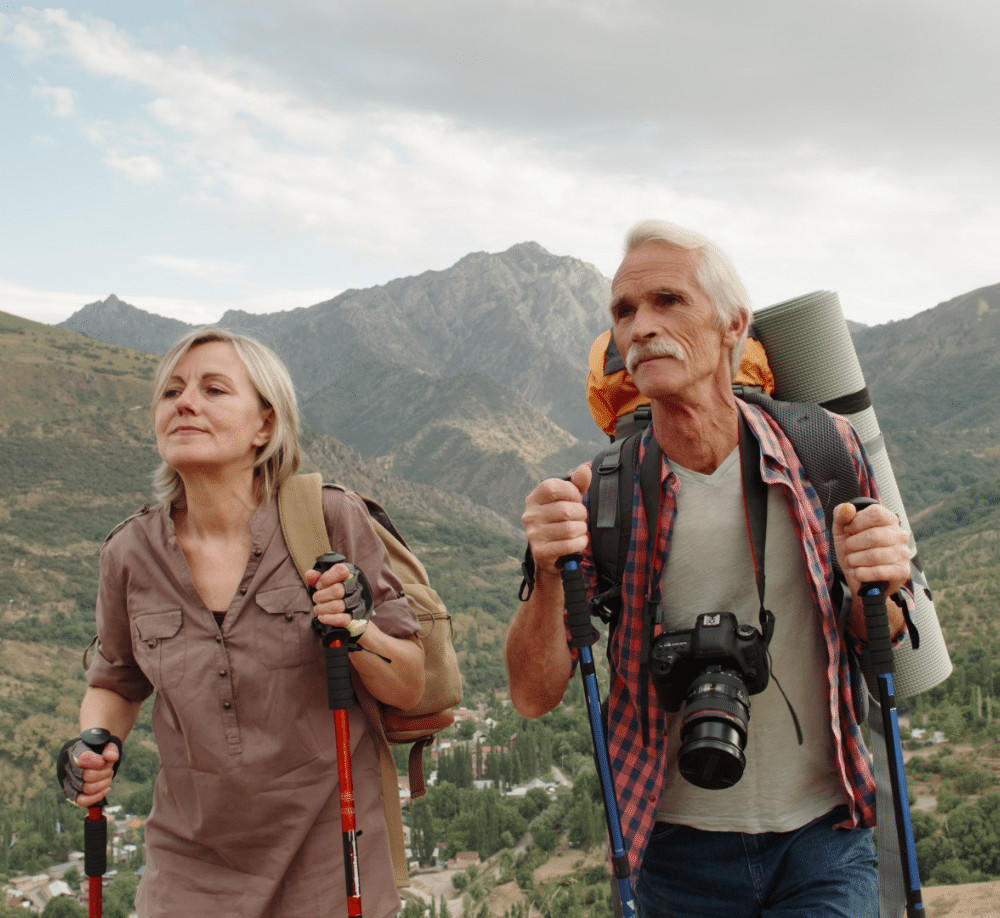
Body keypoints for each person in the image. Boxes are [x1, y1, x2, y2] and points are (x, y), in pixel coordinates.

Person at [505, 220, 914, 918]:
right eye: (624, 311)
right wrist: (550, 573)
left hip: (823, 837)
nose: (640, 327)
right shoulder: (596, 494)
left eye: (669, 301)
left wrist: (883, 583)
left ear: (733, 325)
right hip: (671, 848)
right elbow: (533, 693)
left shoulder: (823, 450)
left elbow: (877, 635)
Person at [57, 327, 425, 918]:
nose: (184, 402)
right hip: (188, 866)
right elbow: (116, 680)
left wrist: (357, 630)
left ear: (264, 425)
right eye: (171, 391)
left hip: (332, 859)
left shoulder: (329, 520)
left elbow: (408, 681)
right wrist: (95, 743)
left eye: (214, 389)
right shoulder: (129, 553)